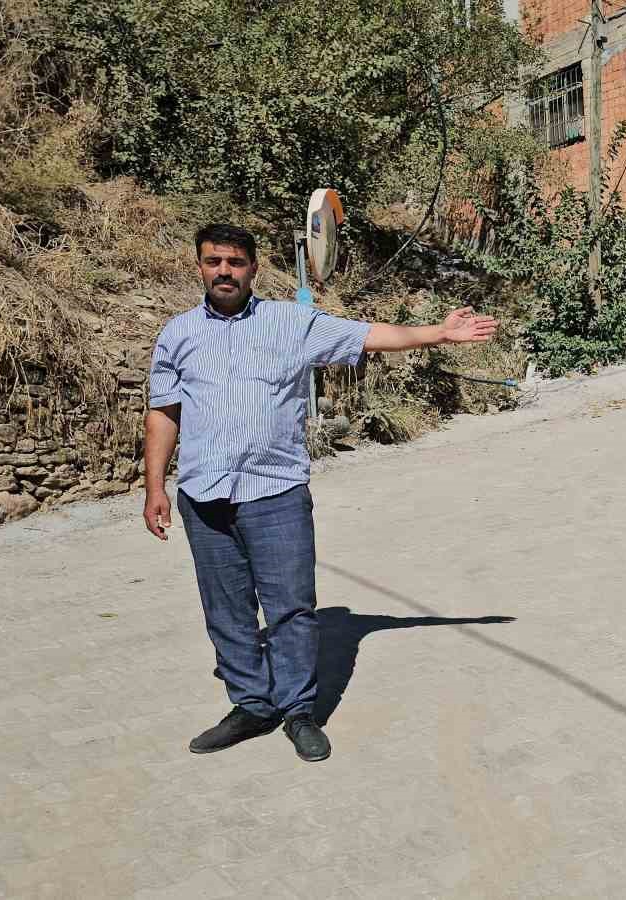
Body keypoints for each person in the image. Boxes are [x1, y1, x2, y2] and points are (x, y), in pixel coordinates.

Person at [143, 223, 497, 762]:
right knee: (226, 609)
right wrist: (155, 487)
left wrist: (437, 333)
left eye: (235, 262)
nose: (224, 271)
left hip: (276, 493)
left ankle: (298, 711)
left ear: (253, 268)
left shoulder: (292, 323)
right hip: (203, 495)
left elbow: (367, 335)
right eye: (213, 261)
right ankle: (251, 705)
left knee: (291, 610)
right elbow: (163, 413)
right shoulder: (178, 335)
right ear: (199, 266)